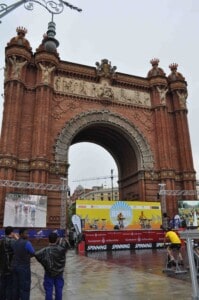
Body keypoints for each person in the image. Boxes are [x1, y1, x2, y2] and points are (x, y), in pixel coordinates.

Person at [35, 232, 68, 300]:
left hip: (49, 272)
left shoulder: (45, 250)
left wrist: (44, 263)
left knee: (49, 290)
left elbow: (36, 254)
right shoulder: (61, 249)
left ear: (48, 239)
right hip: (59, 272)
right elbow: (67, 245)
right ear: (57, 239)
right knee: (59, 289)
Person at [12, 228, 35, 300]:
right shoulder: (27, 243)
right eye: (26, 233)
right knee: (25, 287)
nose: (27, 235)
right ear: (21, 234)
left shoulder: (14, 242)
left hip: (15, 267)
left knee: (16, 287)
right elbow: (33, 252)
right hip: (24, 268)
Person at [0, 226, 18, 300]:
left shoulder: (1, 240)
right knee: (10, 285)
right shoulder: (12, 241)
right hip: (10, 266)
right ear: (12, 232)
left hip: (2, 266)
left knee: (2, 284)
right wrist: (16, 237)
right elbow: (20, 246)